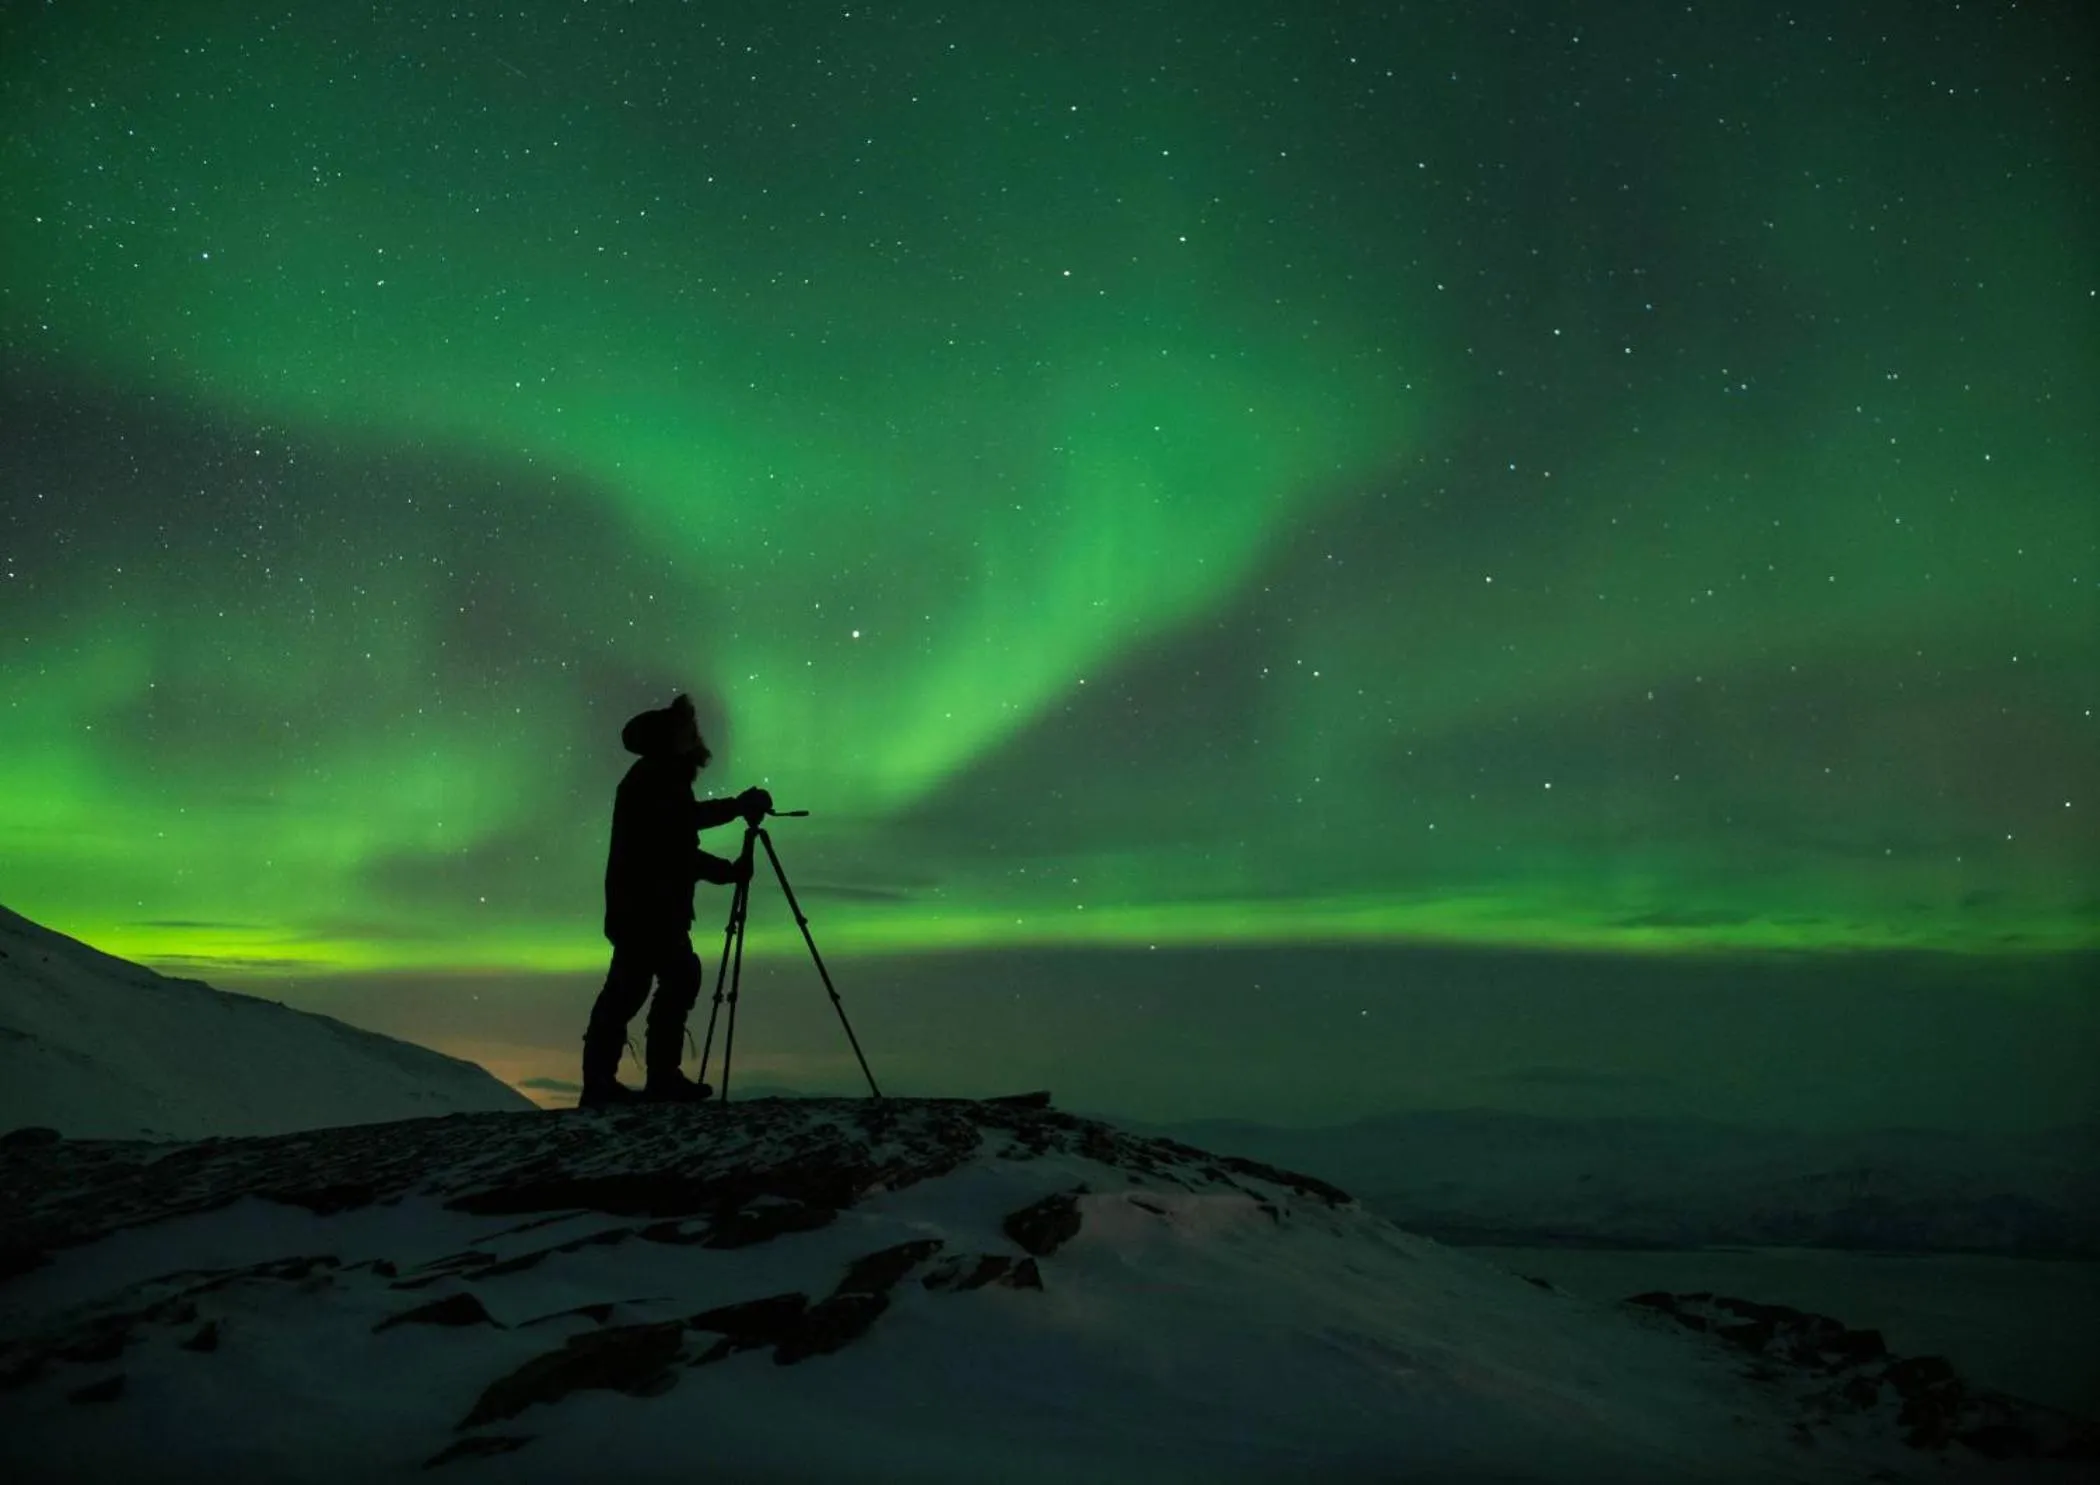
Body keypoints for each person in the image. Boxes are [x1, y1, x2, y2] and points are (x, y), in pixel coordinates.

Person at [580, 693, 771, 1107]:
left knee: (638, 987)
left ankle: (612, 1083)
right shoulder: (656, 779)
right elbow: (676, 843)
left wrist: (734, 821)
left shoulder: (654, 777)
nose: (692, 737)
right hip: (648, 909)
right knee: (656, 982)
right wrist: (732, 844)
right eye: (685, 731)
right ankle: (645, 1081)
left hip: (645, 908)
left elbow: (678, 837)